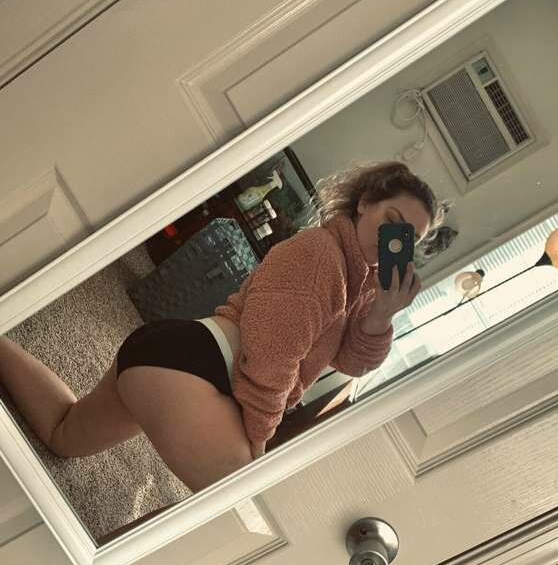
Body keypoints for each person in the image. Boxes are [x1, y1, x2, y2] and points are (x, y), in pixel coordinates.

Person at [0, 161, 446, 493]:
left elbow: (350, 360)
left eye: (409, 238)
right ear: (364, 204)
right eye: (392, 222)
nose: (393, 240)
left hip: (178, 358)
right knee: (240, 500)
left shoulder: (359, 283)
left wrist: (381, 315)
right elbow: (270, 358)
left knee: (64, 433)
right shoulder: (323, 258)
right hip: (194, 367)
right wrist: (258, 445)